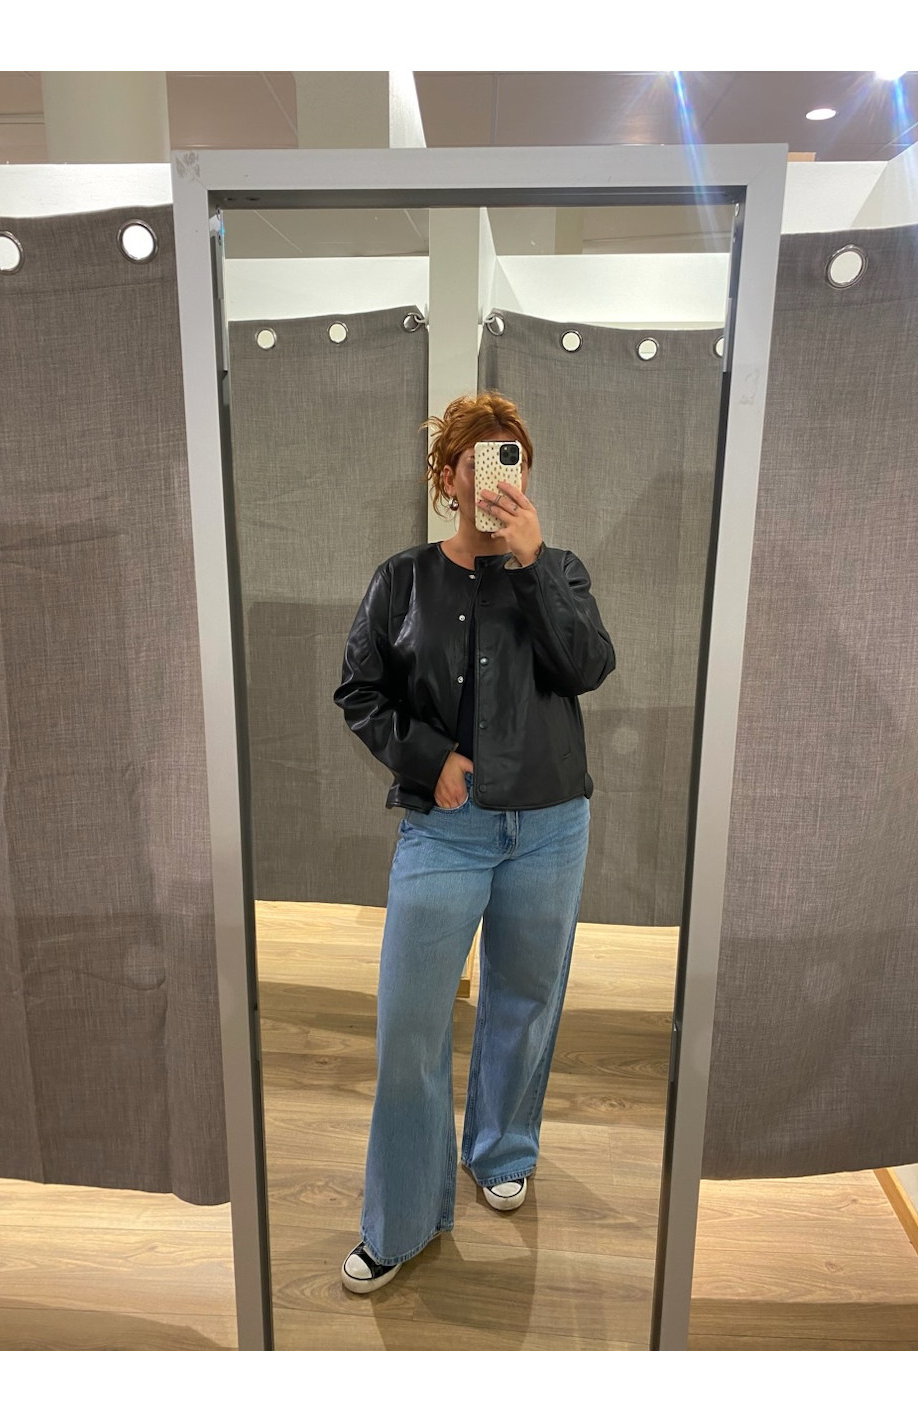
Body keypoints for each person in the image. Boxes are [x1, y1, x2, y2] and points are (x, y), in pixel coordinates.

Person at [332, 391, 616, 1293]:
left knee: (525, 1001)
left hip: (551, 827)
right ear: (448, 477)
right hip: (444, 833)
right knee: (410, 1025)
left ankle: (500, 1150)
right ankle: (401, 1219)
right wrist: (428, 759)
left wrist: (532, 564)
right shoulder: (402, 580)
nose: (496, 477)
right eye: (478, 461)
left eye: (511, 459)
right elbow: (360, 691)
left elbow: (588, 667)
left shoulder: (559, 569)